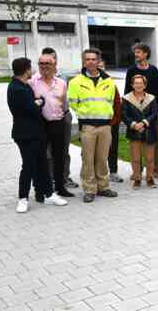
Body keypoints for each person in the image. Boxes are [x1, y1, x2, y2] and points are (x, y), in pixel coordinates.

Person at [9, 58, 68, 213]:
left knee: (42, 163)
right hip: (25, 135)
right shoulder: (17, 88)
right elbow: (31, 109)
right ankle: (23, 198)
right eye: (31, 68)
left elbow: (32, 105)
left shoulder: (23, 85)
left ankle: (48, 194)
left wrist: (36, 103)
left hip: (37, 133)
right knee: (28, 166)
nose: (33, 70)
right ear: (26, 70)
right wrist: (40, 102)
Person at [68, 49, 118, 203]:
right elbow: (72, 103)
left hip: (105, 126)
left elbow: (111, 101)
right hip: (88, 126)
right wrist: (85, 114)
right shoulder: (76, 81)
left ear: (98, 61)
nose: (90, 61)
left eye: (93, 59)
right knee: (88, 159)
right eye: (87, 59)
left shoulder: (109, 81)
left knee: (102, 159)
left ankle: (103, 187)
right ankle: (90, 189)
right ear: (84, 62)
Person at [29, 54, 74, 198]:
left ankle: (61, 187)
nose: (44, 66)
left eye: (48, 63)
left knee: (59, 156)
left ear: (54, 65)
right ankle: (41, 188)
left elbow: (64, 103)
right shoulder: (32, 82)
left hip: (58, 123)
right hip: (40, 124)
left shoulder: (61, 83)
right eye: (41, 63)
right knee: (41, 156)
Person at [123, 43, 158, 179]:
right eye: (135, 52)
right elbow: (127, 93)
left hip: (151, 112)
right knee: (136, 144)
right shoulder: (131, 70)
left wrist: (154, 114)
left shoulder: (154, 71)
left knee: (154, 142)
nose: (136, 54)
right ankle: (137, 172)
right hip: (135, 111)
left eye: (139, 52)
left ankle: (155, 171)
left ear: (146, 54)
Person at [41, 47, 77, 189]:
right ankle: (51, 179)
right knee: (48, 151)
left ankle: (64, 177)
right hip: (46, 119)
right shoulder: (36, 79)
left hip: (64, 116)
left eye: (53, 58)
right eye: (47, 59)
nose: (51, 61)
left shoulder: (63, 77)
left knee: (64, 149)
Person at [121, 74, 158, 189]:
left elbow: (154, 113)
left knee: (150, 158)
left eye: (141, 83)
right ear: (132, 85)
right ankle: (137, 179)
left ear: (145, 85)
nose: (138, 85)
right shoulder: (127, 98)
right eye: (136, 83)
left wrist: (144, 122)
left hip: (149, 131)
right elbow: (124, 114)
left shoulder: (151, 98)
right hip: (134, 131)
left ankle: (150, 178)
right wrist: (134, 124)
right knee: (136, 158)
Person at [99, 60, 123, 184]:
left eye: (102, 66)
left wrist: (116, 120)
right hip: (95, 123)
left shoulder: (111, 83)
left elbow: (117, 103)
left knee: (113, 147)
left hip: (111, 122)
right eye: (98, 67)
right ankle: (96, 174)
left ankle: (113, 171)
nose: (100, 69)